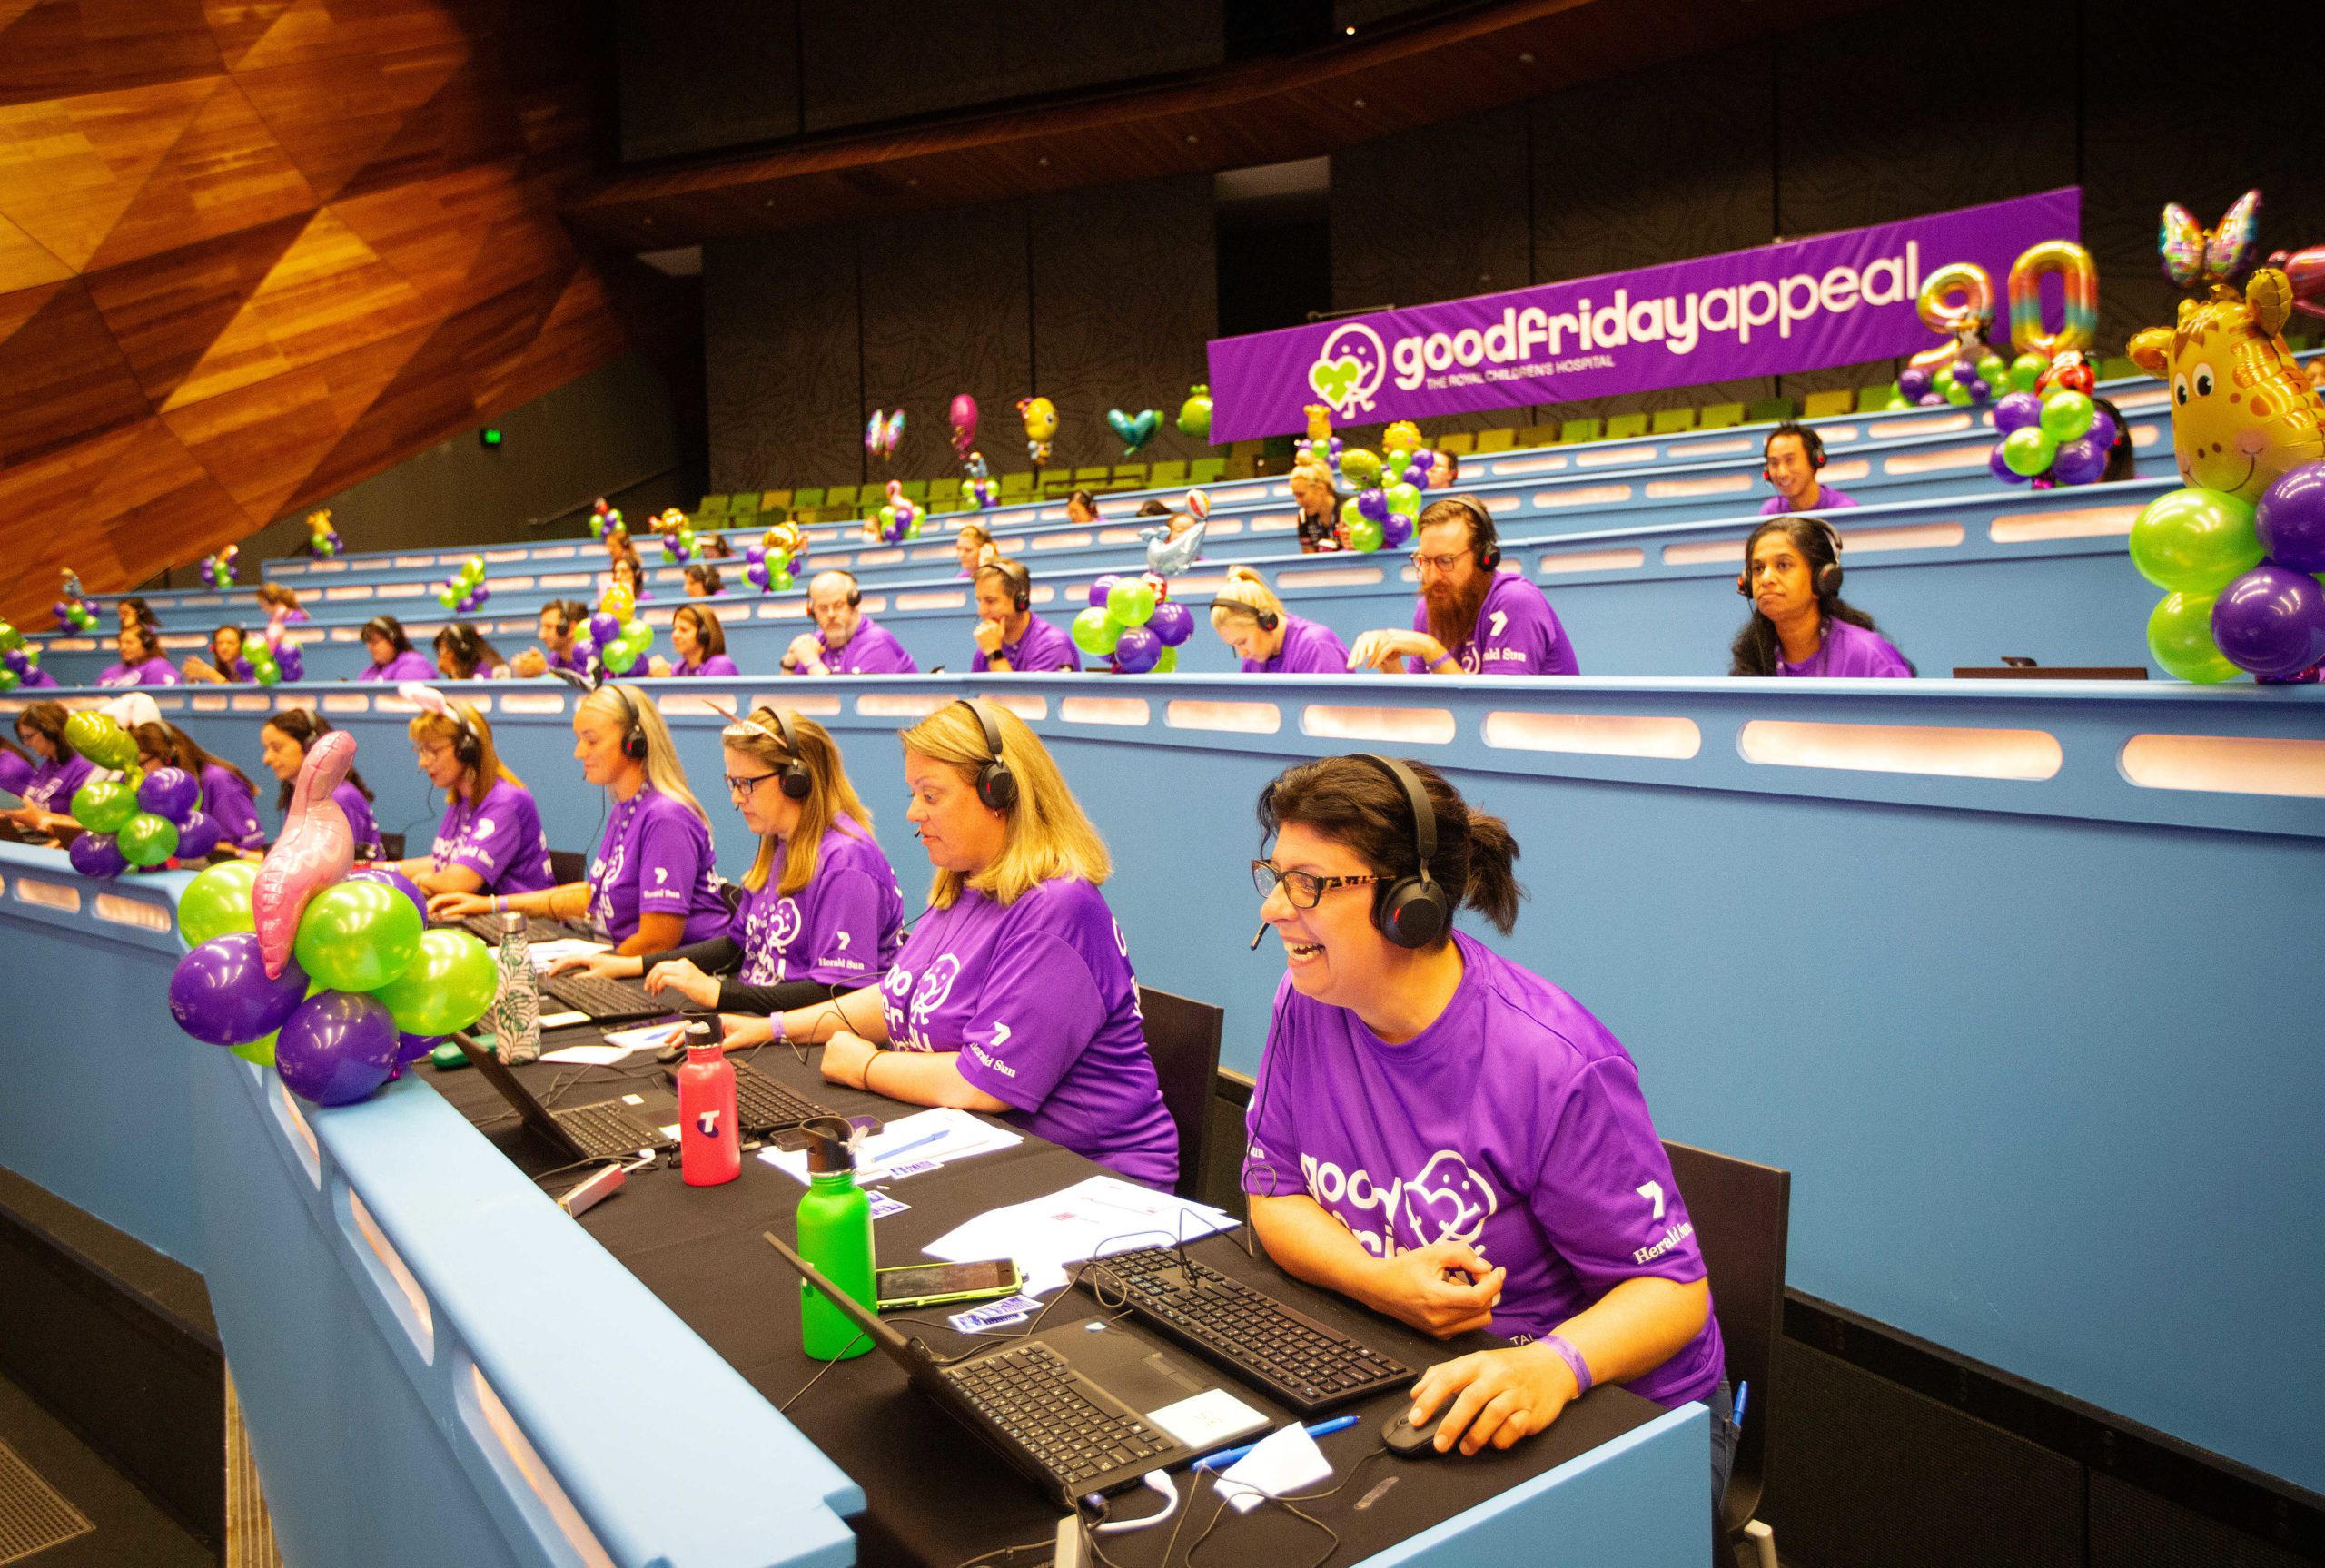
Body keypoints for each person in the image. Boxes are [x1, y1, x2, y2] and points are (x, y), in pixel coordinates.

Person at [1241, 754, 1730, 1498]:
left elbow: (1672, 1291)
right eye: (1275, 875)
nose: (1276, 907)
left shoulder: (1552, 1061)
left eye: (1307, 883)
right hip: (1425, 1366)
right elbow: (1273, 1193)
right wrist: (1379, 1282)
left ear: (1410, 903)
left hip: (1618, 1408)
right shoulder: (1308, 1000)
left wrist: (1553, 1365)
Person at [722, 701, 1176, 1188]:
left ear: (998, 792)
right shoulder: (965, 885)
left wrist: (867, 1065)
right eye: (914, 792)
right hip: (995, 1156)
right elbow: (896, 997)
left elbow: (979, 1082)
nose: (913, 812)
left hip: (1090, 1178)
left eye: (930, 795)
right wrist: (772, 1027)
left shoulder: (1060, 906)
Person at [550, 707, 904, 1013]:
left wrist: (721, 993)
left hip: (803, 1040)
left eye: (746, 783)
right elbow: (737, 947)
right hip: (764, 1021)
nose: (736, 798)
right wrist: (627, 965)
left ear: (796, 781)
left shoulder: (846, 862)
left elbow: (837, 993)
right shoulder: (779, 841)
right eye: (731, 782)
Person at [428, 685, 727, 955]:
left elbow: (657, 940)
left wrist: (589, 966)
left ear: (634, 742)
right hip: (627, 961)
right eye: (579, 739)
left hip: (670, 980)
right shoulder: (627, 806)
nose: (578, 752)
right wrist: (492, 905)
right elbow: (594, 895)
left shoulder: (665, 816)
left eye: (591, 740)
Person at [1347, 497, 1578, 676]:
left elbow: (1498, 716)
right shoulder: (1430, 606)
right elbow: (1423, 708)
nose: (1433, 576)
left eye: (1445, 561)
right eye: (1425, 561)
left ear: (1483, 558)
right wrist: (1390, 665)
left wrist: (1431, 649)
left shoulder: (1515, 601)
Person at [390, 690, 554, 898]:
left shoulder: (506, 802)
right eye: (421, 750)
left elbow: (458, 881)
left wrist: (420, 881)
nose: (422, 763)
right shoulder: (462, 798)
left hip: (523, 924)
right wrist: (377, 870)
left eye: (433, 750)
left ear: (467, 750)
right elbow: (442, 863)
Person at [1728, 517, 1911, 677]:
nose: (1766, 579)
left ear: (1821, 580)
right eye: (1758, 568)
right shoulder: (1752, 658)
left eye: (1783, 565)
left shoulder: (1871, 657)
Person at [259, 710, 382, 859]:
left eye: (277, 748)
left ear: (310, 746)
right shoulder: (298, 794)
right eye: (266, 749)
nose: (267, 759)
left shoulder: (338, 797)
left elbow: (342, 867)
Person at [132, 721, 264, 850]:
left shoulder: (218, 781)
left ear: (168, 756)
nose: (139, 773)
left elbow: (251, 850)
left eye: (141, 764)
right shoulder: (158, 793)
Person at [1209, 567, 1350, 674]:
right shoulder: (1253, 661)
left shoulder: (1315, 646)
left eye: (1242, 642)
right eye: (1234, 646)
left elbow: (1333, 711)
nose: (1242, 654)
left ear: (1266, 622)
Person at [783, 570, 919, 676]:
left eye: (839, 605)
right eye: (823, 608)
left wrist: (812, 662)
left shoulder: (877, 641)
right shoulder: (816, 643)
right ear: (812, 612)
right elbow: (787, 704)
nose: (831, 614)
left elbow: (848, 706)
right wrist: (789, 665)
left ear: (855, 603)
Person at [0, 703, 97, 836]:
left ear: (51, 733)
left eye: (29, 737)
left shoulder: (83, 767)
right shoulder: (50, 764)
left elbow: (79, 827)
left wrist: (35, 818)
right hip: (37, 837)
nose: (26, 744)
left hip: (58, 844)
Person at [971, 560, 1079, 673]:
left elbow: (1015, 691)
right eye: (979, 601)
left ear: (1021, 601)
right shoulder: (989, 643)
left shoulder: (1053, 645)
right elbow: (976, 691)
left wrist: (994, 654)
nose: (981, 611)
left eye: (990, 601)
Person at [1759, 421, 1857, 516]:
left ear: (1814, 460)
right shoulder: (1770, 513)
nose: (1782, 473)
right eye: (1774, 463)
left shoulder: (1843, 512)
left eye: (1790, 460)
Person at [652, 604, 740, 677]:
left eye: (684, 630)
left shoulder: (721, 666)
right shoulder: (680, 667)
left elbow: (703, 697)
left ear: (703, 634)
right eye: (674, 629)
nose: (675, 635)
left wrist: (668, 679)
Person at [510, 601, 592, 679]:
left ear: (571, 629)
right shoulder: (555, 657)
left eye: (549, 627)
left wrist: (543, 669)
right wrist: (528, 674)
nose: (541, 635)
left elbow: (584, 690)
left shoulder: (590, 659)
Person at [357, 617, 435, 683]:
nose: (370, 647)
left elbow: (404, 700)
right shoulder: (369, 672)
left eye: (375, 642)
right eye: (368, 642)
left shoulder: (414, 665)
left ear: (393, 640)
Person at [98, 625, 179, 687]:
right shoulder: (110, 672)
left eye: (129, 643)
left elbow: (166, 700)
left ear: (146, 644)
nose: (123, 648)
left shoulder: (158, 667)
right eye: (120, 643)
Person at [1290, 464, 1344, 553]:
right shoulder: (1303, 516)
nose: (1298, 501)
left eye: (1301, 495)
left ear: (1321, 488)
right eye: (1295, 495)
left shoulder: (1350, 508)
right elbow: (1309, 559)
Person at [181, 625, 255, 685]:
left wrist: (211, 674)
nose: (224, 648)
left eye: (230, 643)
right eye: (219, 643)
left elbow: (242, 699)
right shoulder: (223, 673)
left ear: (242, 645)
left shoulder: (251, 670)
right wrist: (193, 681)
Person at [434, 624, 510, 682]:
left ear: (461, 650)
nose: (441, 655)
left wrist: (455, 673)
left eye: (443, 649)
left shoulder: (487, 671)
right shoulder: (467, 671)